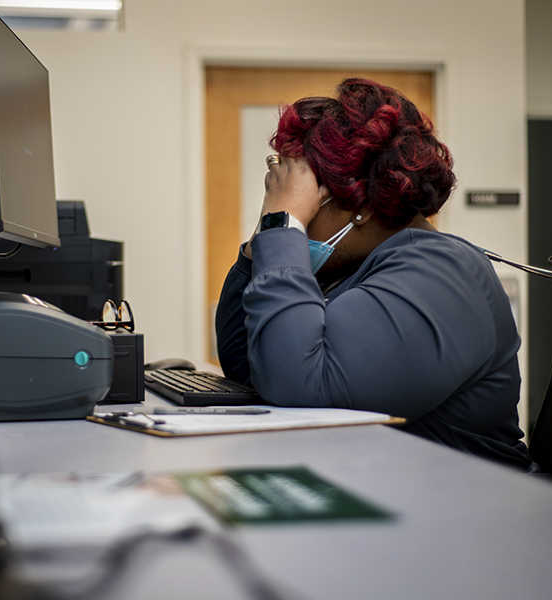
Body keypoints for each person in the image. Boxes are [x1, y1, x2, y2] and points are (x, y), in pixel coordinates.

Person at [215, 78, 532, 469]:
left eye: (307, 199)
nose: (297, 215)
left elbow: (297, 388)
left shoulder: (441, 274)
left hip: (466, 510)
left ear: (360, 206)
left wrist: (285, 224)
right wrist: (268, 228)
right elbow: (242, 361)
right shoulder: (354, 268)